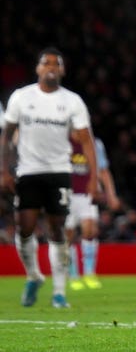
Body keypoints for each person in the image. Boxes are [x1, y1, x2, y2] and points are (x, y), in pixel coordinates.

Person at [0, 47, 97, 309]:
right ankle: (34, 276)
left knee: (57, 232)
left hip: (59, 172)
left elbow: (87, 142)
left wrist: (93, 177)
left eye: (57, 63)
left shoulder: (72, 101)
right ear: (38, 68)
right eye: (46, 63)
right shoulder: (21, 97)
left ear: (63, 70)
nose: (51, 67)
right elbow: (7, 136)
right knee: (25, 229)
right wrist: (4, 170)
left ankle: (59, 292)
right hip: (28, 171)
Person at [65, 135, 120, 290]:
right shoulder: (60, 140)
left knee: (90, 230)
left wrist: (111, 194)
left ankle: (89, 273)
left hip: (87, 194)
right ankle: (73, 274)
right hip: (66, 194)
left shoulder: (94, 143)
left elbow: (103, 170)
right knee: (67, 235)